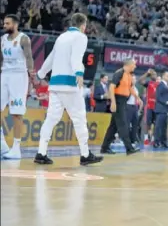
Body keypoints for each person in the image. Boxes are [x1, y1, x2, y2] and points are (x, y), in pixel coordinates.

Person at [34, 13, 102, 165]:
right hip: (70, 84)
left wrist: (40, 74)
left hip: (55, 84)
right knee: (79, 119)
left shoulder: (61, 37)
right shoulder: (81, 37)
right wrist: (79, 72)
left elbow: (51, 58)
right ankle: (85, 155)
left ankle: (41, 152)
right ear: (83, 25)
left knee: (51, 118)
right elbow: (76, 57)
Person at [1, 14, 35, 159]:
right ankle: (2, 142)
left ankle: (16, 148)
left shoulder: (23, 38)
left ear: (15, 25)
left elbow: (29, 58)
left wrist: (32, 75)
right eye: (4, 23)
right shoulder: (2, 39)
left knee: (16, 113)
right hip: (4, 75)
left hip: (19, 76)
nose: (4, 26)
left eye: (7, 23)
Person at [100, 58, 141, 155]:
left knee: (113, 127)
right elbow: (111, 87)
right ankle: (129, 148)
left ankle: (104, 148)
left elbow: (130, 88)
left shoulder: (129, 75)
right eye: (134, 64)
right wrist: (113, 102)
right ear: (129, 64)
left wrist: (137, 97)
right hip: (117, 101)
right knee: (123, 125)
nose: (135, 66)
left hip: (123, 102)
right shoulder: (119, 73)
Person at [139, 69, 159, 144]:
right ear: (150, 76)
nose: (154, 75)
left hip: (156, 107)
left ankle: (153, 139)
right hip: (149, 106)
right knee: (148, 124)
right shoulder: (148, 83)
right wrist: (146, 73)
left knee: (156, 124)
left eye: (155, 74)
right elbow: (140, 81)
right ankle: (146, 138)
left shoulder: (159, 84)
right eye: (153, 74)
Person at [154, 71, 168, 148]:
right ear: (163, 76)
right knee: (158, 126)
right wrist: (166, 102)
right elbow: (158, 97)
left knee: (164, 127)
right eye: (167, 76)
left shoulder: (165, 85)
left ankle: (163, 142)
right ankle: (156, 142)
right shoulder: (161, 85)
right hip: (160, 109)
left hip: (165, 110)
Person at [126, 74, 142, 145]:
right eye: (132, 79)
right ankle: (125, 140)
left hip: (134, 107)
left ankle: (133, 140)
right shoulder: (127, 87)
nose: (134, 80)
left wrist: (139, 109)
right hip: (128, 106)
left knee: (135, 124)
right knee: (127, 124)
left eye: (135, 79)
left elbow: (138, 99)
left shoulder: (136, 88)